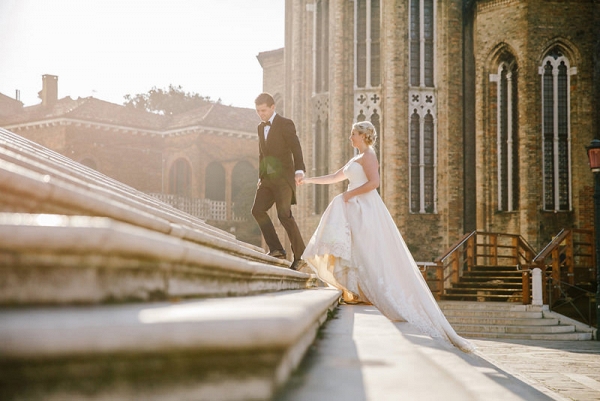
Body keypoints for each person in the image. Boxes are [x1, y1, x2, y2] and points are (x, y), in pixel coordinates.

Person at [300, 121, 474, 352]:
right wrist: (308, 180)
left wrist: (348, 195)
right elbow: (335, 176)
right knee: (355, 250)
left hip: (365, 209)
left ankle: (371, 294)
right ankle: (356, 291)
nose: (350, 137)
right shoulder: (357, 157)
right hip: (354, 207)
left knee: (367, 252)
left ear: (363, 136)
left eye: (353, 134)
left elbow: (374, 183)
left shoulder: (368, 156)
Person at [252, 93, 308, 271]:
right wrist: (261, 177)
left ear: (273, 107)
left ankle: (301, 256)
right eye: (258, 111)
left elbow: (295, 147)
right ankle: (276, 248)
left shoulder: (285, 124)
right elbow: (262, 154)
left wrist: (299, 170)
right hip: (268, 179)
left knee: (284, 215)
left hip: (284, 179)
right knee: (257, 210)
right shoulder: (260, 128)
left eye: (264, 110)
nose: (261, 114)